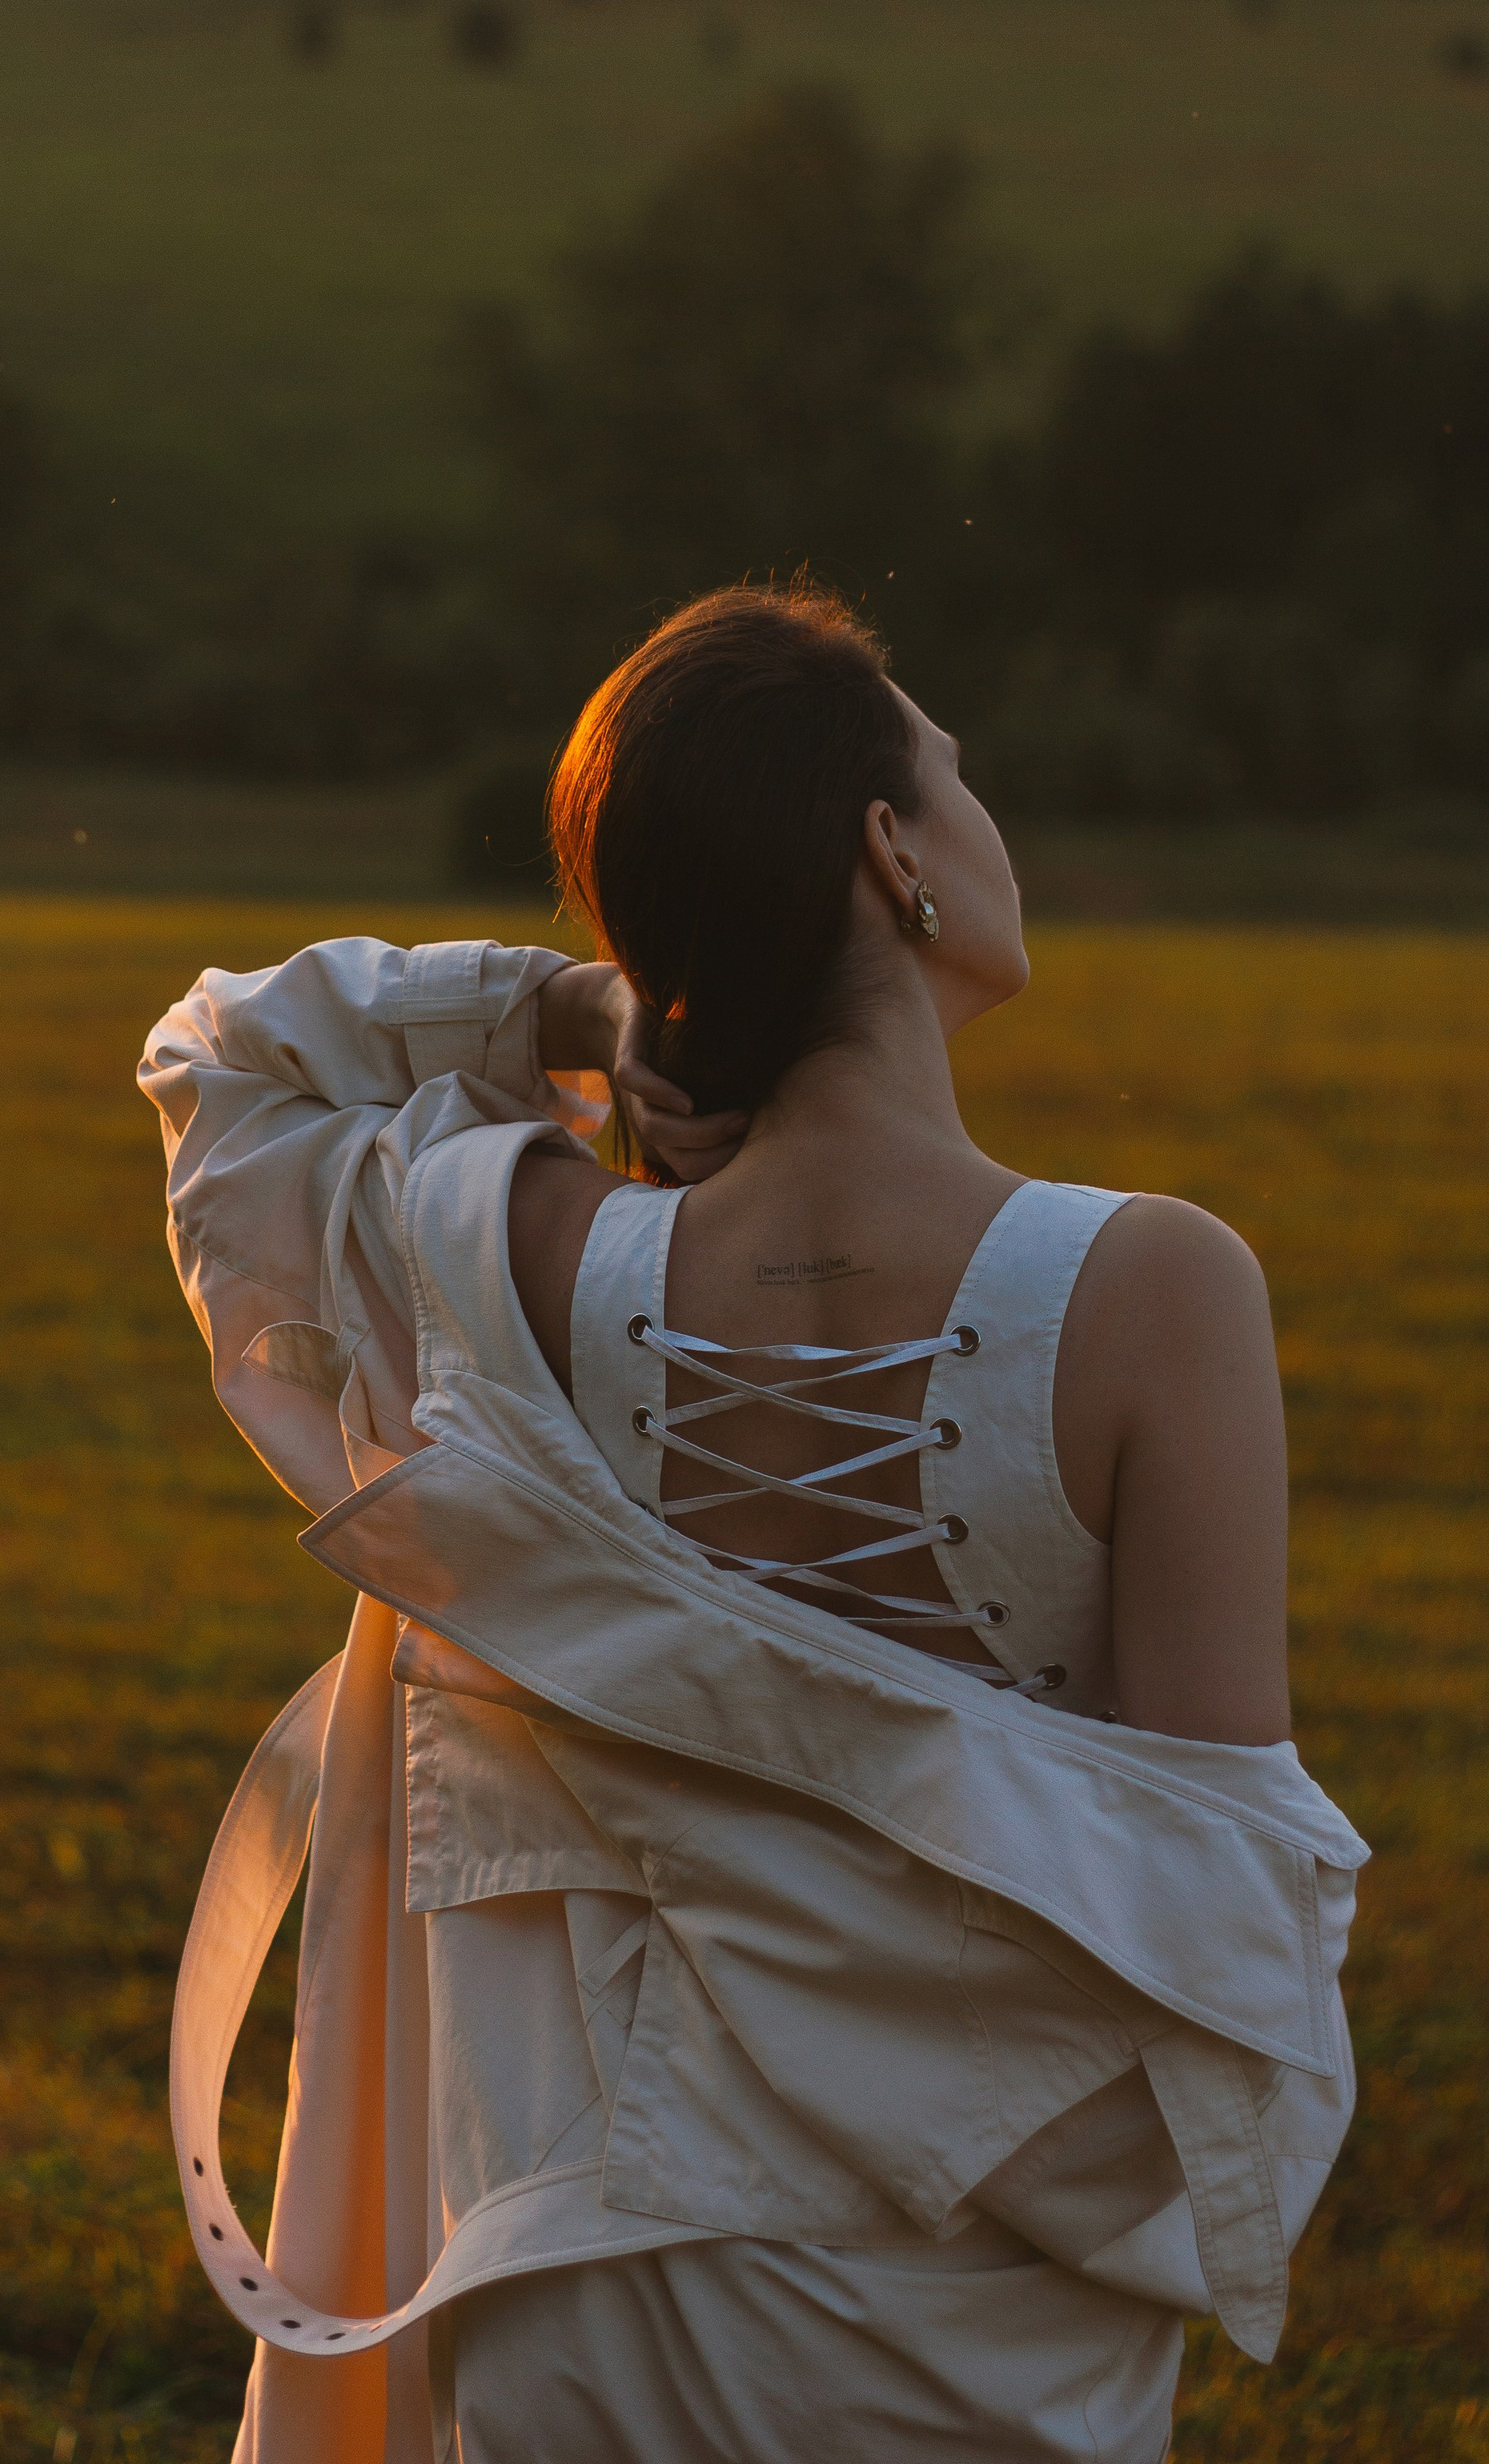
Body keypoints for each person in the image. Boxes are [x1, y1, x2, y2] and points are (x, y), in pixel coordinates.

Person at [142, 580, 1364, 2464]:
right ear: (892, 855)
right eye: (954, 777)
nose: (982, 815)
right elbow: (1214, 1907)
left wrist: (559, 998)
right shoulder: (1152, 1289)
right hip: (976, 2321)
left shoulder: (504, 1257)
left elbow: (221, 1063)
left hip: (574, 2295)